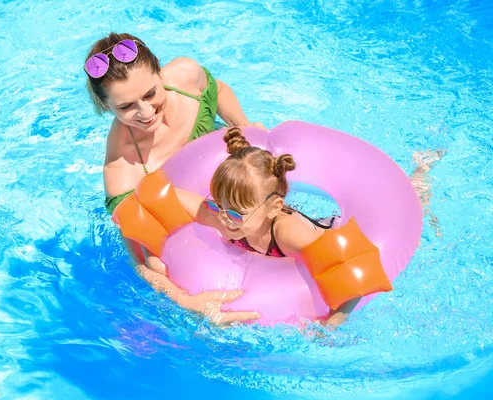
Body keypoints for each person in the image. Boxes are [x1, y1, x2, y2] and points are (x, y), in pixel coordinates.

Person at [143, 127, 444, 328]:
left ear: (273, 207)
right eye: (217, 206)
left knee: (414, 198)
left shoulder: (289, 234)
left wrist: (329, 327)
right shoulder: (227, 218)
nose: (221, 219)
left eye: (234, 213)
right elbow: (151, 196)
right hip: (267, 237)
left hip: (325, 231)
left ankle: (420, 170)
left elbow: (351, 270)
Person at [85, 33, 264, 324]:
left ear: (159, 70)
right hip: (192, 219)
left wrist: (244, 126)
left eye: (150, 94)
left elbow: (217, 90)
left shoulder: (185, 76)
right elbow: (143, 262)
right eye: (126, 107)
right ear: (107, 106)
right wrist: (187, 301)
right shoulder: (123, 169)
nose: (145, 112)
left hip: (229, 183)